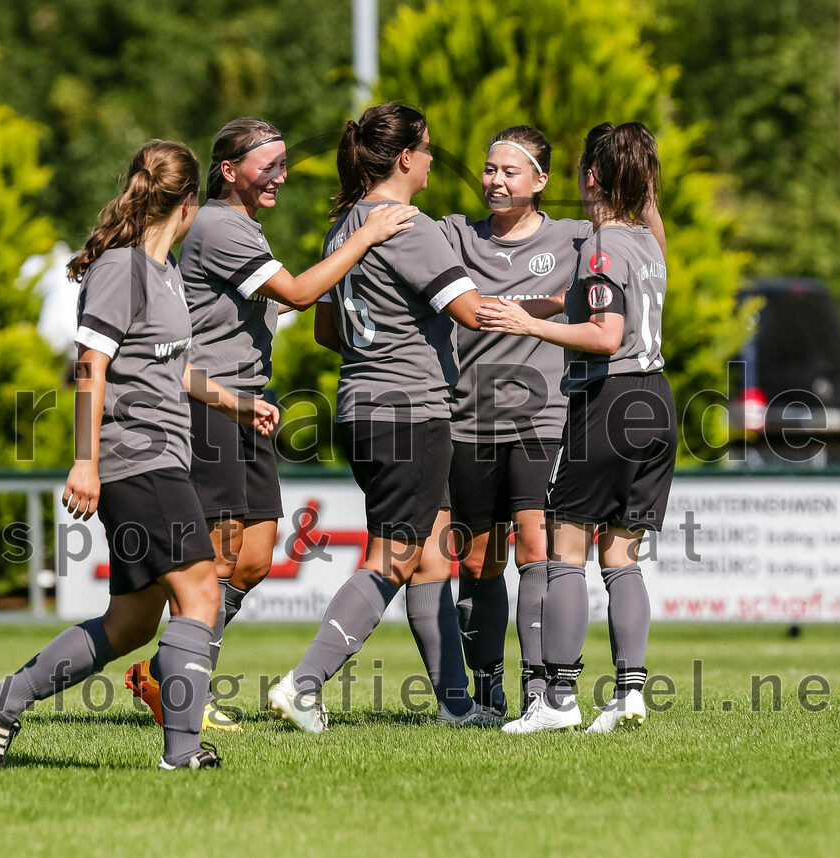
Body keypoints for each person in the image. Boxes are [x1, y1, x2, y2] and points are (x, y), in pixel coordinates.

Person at [0, 140, 278, 771]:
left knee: (134, 623)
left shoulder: (164, 274)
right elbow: (89, 366)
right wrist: (85, 461)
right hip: (138, 458)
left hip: (161, 457)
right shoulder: (121, 268)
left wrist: (235, 404)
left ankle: (2, 701)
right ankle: (182, 754)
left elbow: (173, 369)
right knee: (201, 596)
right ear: (187, 204)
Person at [124, 118, 417, 731]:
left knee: (254, 558)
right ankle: (180, 683)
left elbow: (284, 297)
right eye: (270, 164)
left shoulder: (239, 227)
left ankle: (163, 671)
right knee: (219, 559)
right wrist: (365, 237)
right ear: (229, 171)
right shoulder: (219, 225)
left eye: (286, 162)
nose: (282, 174)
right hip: (210, 406)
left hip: (245, 405)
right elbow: (301, 294)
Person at [268, 102, 499, 732]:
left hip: (362, 405)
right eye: (426, 149)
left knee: (429, 559)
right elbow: (474, 313)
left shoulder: (343, 226)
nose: (430, 159)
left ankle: (457, 706)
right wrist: (550, 310)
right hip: (409, 412)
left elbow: (323, 331)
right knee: (395, 556)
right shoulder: (409, 226)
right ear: (405, 158)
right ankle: (304, 684)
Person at [440, 126, 665, 720]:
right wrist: (534, 307)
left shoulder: (592, 243)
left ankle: (555, 696)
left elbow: (604, 332)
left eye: (509, 171)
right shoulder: (645, 241)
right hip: (652, 399)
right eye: (489, 170)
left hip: (598, 400)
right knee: (619, 556)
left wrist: (528, 326)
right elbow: (601, 298)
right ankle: (629, 692)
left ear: (582, 177)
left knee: (561, 551)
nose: (495, 180)